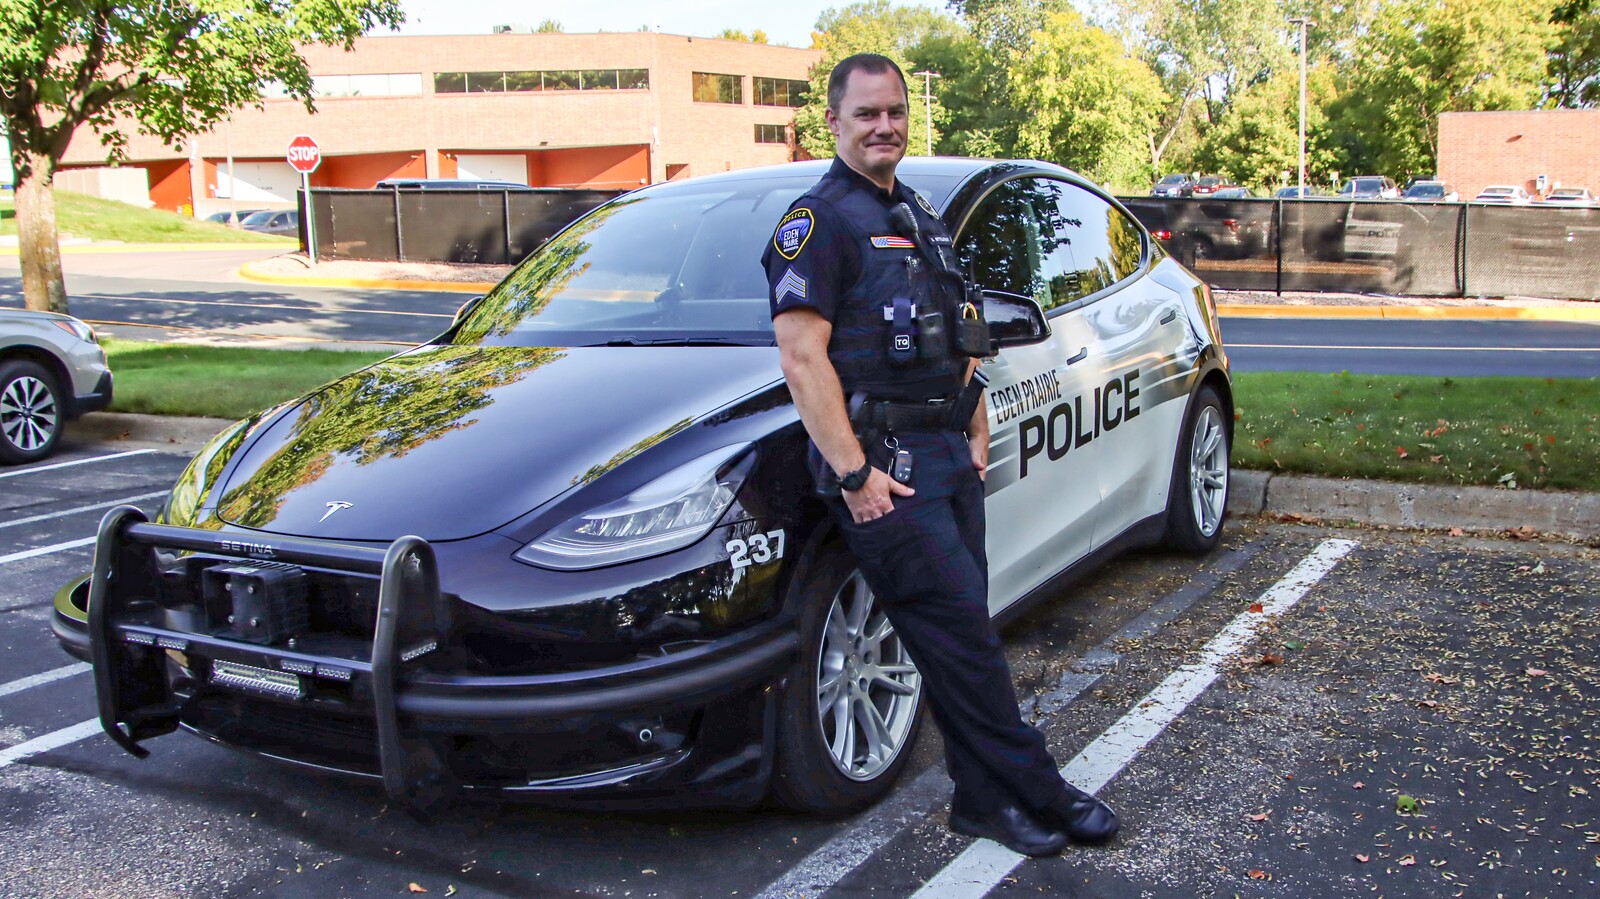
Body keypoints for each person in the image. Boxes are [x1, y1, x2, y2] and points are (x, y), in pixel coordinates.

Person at [762, 53, 1118, 857]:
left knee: (960, 637)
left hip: (948, 452)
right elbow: (801, 357)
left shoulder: (918, 213)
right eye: (866, 114)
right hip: (886, 466)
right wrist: (855, 473)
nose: (884, 125)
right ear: (834, 123)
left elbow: (960, 326)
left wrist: (976, 413)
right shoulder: (816, 225)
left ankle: (982, 801)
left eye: (894, 111)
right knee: (964, 639)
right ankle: (1040, 787)